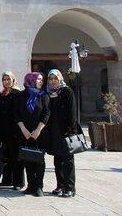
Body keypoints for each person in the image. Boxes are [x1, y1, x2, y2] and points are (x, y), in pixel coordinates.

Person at [16, 72, 50, 197]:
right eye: (38, 79)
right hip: (25, 132)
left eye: (42, 79)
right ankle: (30, 185)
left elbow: (46, 113)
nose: (41, 81)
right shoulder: (22, 95)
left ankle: (39, 186)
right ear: (31, 80)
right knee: (28, 158)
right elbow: (16, 113)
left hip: (39, 133)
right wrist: (23, 129)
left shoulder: (43, 95)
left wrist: (38, 130)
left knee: (39, 159)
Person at [47, 69, 78, 198]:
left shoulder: (67, 92)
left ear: (60, 79)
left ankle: (70, 187)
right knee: (57, 160)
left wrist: (70, 130)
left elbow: (72, 112)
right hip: (54, 132)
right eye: (51, 79)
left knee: (68, 160)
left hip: (66, 131)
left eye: (55, 78)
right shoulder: (50, 93)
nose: (53, 81)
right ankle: (60, 185)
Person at [0, 71, 24, 189]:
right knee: (6, 156)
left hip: (15, 130)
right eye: (4, 79)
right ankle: (7, 179)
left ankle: (18, 182)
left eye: (8, 79)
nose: (6, 82)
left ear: (13, 80)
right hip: (4, 130)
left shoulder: (17, 93)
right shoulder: (2, 94)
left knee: (16, 157)